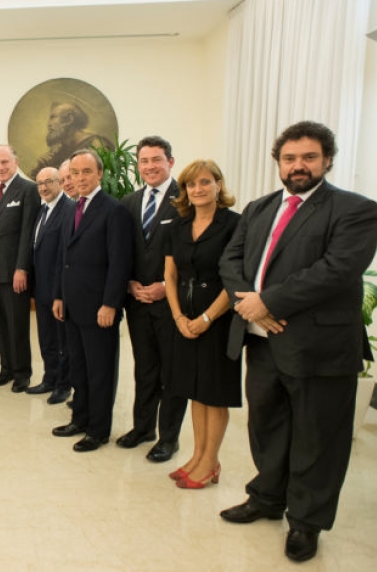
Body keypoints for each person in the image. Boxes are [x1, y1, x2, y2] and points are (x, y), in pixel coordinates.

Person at [219, 121, 377, 563]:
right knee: (266, 425)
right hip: (263, 341)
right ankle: (267, 498)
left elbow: (336, 269)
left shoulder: (355, 210)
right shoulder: (259, 208)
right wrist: (250, 304)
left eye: (309, 157)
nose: (298, 166)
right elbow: (231, 259)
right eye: (289, 158)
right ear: (278, 162)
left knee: (317, 437)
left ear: (327, 160)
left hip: (319, 347)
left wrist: (268, 302)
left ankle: (307, 523)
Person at [163, 160, 240, 488]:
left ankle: (210, 462)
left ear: (218, 185)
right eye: (191, 184)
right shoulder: (178, 226)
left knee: (214, 392)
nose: (198, 189)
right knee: (194, 390)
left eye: (205, 182)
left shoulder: (235, 224)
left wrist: (207, 318)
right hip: (185, 319)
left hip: (218, 320)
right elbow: (170, 275)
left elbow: (236, 279)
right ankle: (198, 456)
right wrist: (179, 317)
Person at [51, 149, 132, 452]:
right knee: (79, 368)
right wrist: (59, 295)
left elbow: (119, 262)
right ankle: (80, 419)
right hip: (72, 305)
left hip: (99, 308)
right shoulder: (73, 207)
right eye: (75, 173)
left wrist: (110, 304)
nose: (80, 178)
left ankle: (98, 430)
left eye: (87, 171)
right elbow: (64, 257)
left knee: (100, 372)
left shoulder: (113, 210)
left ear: (99, 174)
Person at [118, 136, 187, 463]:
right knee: (144, 368)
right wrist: (129, 282)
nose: (149, 166)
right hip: (138, 301)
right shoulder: (129, 203)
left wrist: (165, 286)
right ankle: (142, 427)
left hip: (171, 304)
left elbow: (193, 253)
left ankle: (168, 438)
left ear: (170, 162)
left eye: (156, 160)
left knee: (172, 373)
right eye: (144, 161)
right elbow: (124, 250)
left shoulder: (185, 200)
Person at [0, 145, 40, 392]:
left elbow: (28, 232)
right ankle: (6, 368)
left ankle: (22, 372)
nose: (0, 167)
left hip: (13, 271)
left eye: (5, 162)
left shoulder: (28, 189)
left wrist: (21, 268)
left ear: (15, 163)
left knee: (17, 324)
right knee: (0, 322)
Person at [25, 167, 74, 405]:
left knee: (63, 341)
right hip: (41, 288)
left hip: (59, 290)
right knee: (46, 339)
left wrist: (59, 294)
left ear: (60, 182)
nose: (43, 187)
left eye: (48, 182)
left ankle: (64, 385)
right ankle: (50, 378)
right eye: (40, 183)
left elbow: (65, 257)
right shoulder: (42, 209)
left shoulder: (68, 210)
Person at [29, 102, 110, 178]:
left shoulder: (97, 145)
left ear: (69, 120)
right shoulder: (58, 152)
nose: (48, 124)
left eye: (53, 118)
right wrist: (41, 167)